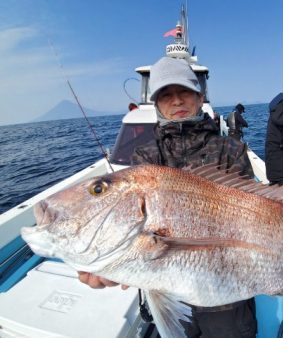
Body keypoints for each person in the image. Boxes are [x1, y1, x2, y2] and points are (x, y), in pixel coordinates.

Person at [78, 56, 257, 338]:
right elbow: (136, 231)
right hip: (168, 292)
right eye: (166, 95)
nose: (177, 101)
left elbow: (251, 217)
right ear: (157, 104)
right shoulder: (145, 156)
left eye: (184, 91)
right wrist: (112, 263)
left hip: (226, 293)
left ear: (199, 97)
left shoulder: (230, 150)